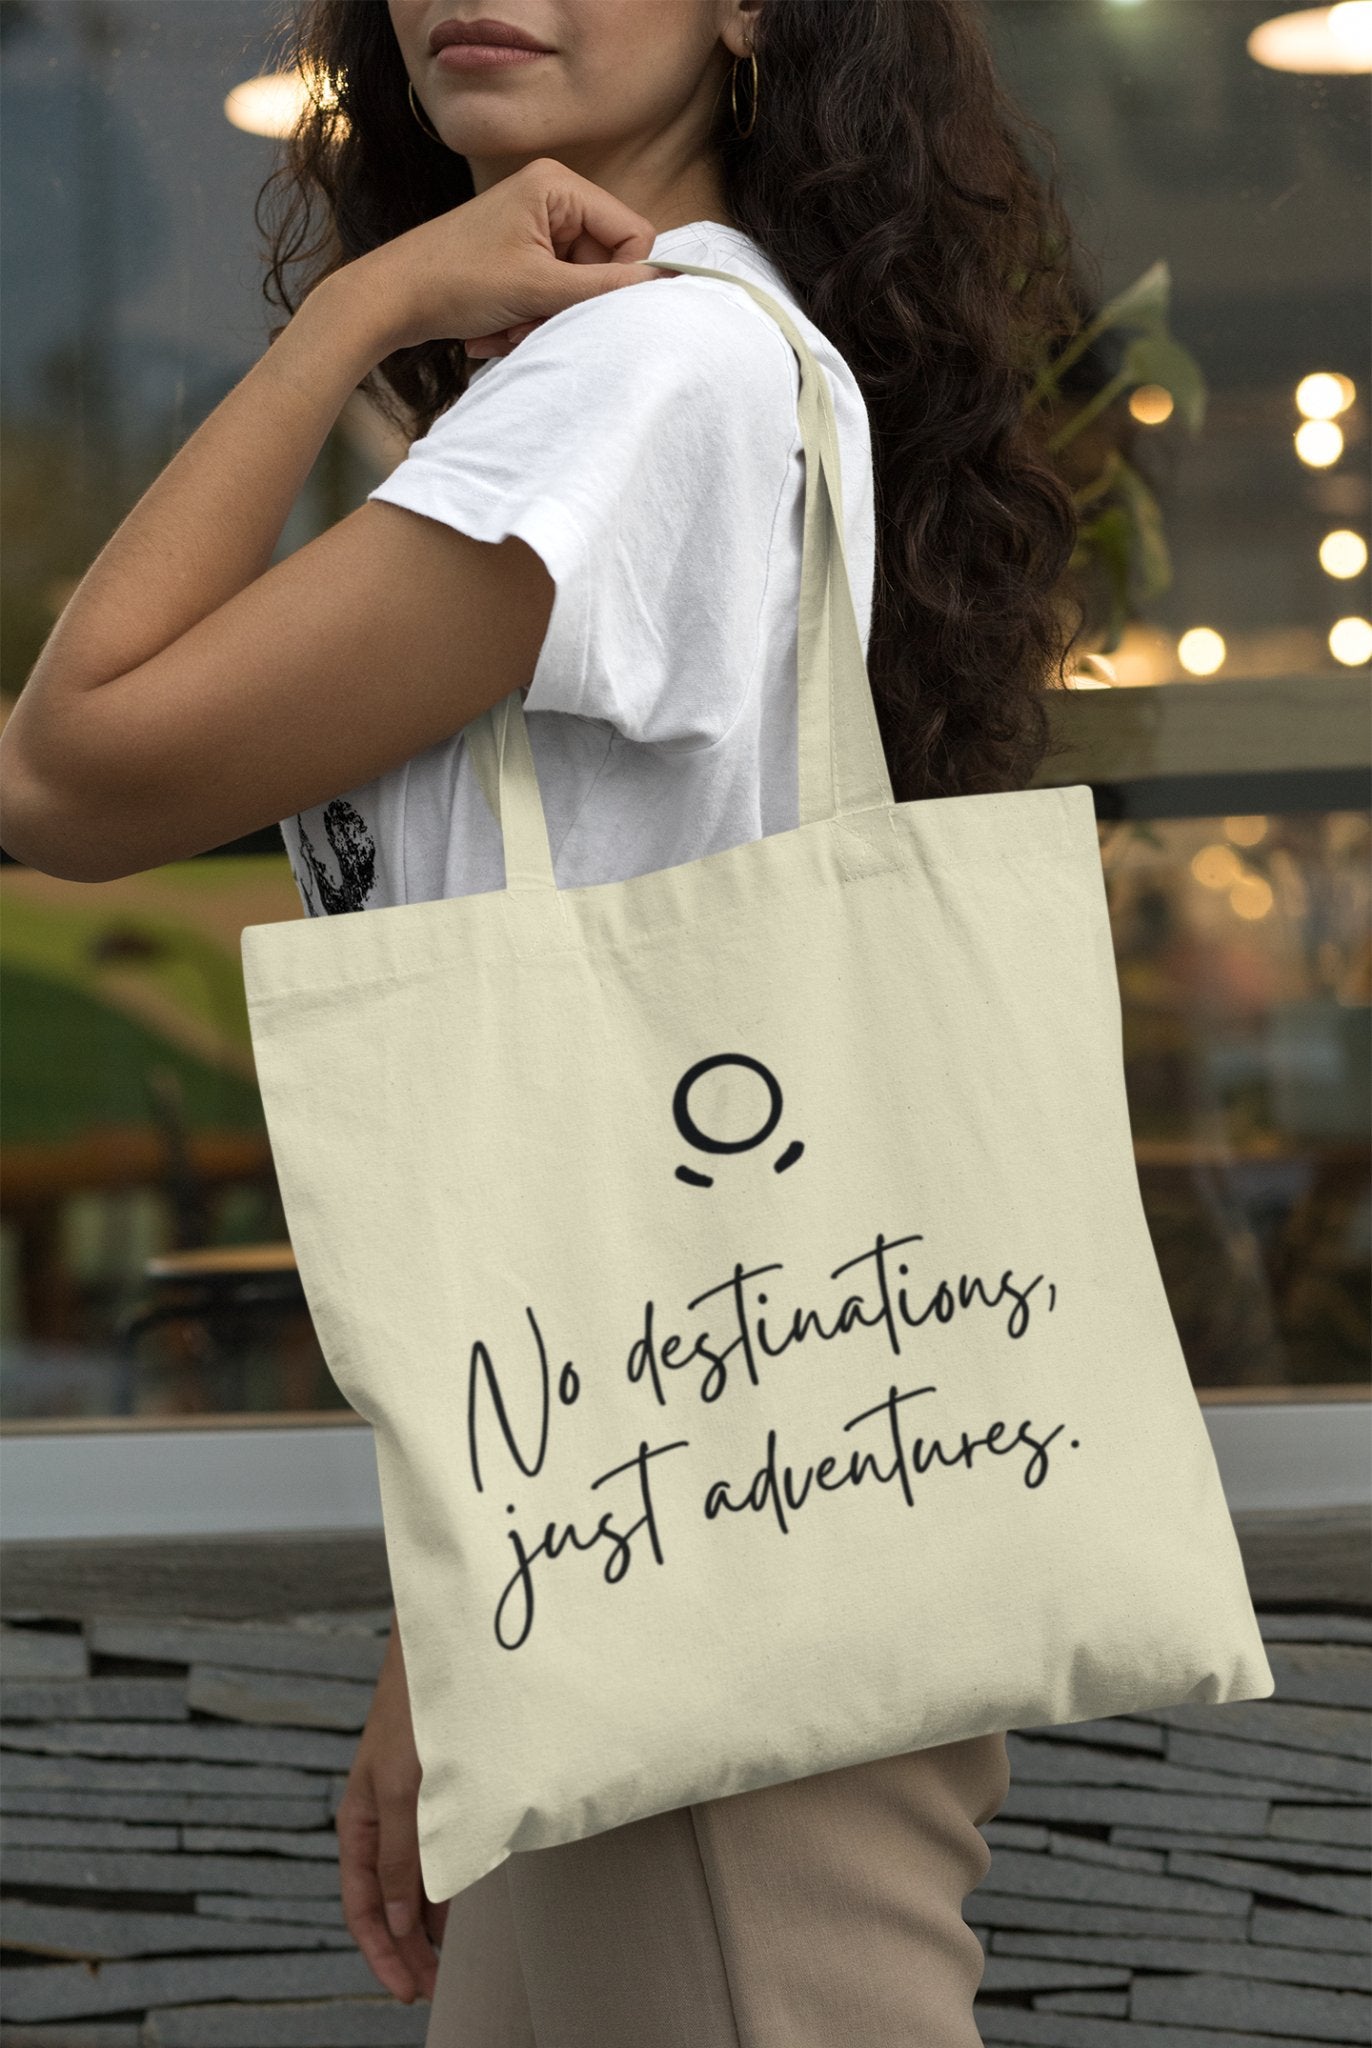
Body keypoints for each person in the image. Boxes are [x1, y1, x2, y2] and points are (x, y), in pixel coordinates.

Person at [0, 1, 1088, 2040]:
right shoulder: (681, 359)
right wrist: (476, 1601)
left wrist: (357, 311)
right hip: (648, 1533)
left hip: (708, 1613)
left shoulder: (653, 374)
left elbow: (63, 771)